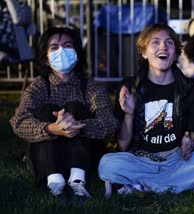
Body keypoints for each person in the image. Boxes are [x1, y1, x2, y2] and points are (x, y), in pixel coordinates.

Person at [98, 23, 194, 195]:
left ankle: (141, 186)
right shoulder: (130, 87)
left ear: (175, 52)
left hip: (176, 159)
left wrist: (191, 143)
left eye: (169, 43)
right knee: (107, 163)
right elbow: (123, 145)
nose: (163, 47)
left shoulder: (189, 88)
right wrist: (129, 114)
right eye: (155, 42)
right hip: (140, 159)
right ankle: (174, 186)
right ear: (144, 52)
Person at [10, 27, 119, 203]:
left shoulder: (91, 87)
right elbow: (19, 122)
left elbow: (110, 122)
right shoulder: (38, 87)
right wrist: (51, 128)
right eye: (54, 47)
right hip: (47, 154)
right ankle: (55, 181)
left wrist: (77, 126)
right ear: (46, 59)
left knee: (75, 108)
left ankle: (78, 181)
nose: (61, 51)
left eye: (67, 46)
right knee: (46, 110)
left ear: (77, 53)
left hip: (82, 156)